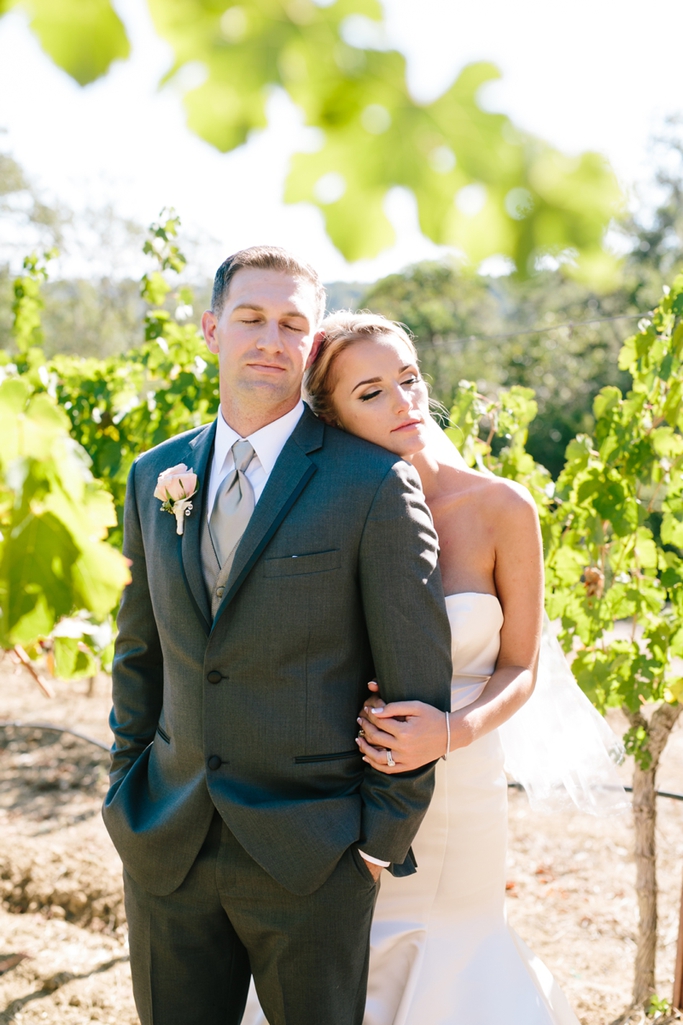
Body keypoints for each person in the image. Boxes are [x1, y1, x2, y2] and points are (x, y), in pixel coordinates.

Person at [102, 253, 453, 1025]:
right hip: (165, 840)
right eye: (251, 318)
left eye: (292, 323)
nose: (270, 338)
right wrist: (126, 788)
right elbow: (138, 653)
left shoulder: (371, 483)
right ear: (211, 329)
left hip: (313, 855)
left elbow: (415, 681)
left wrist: (374, 844)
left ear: (312, 341)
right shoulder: (153, 474)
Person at [242, 309, 581, 1025]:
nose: (404, 402)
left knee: (454, 955)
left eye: (409, 378)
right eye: (371, 393)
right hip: (344, 789)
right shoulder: (317, 516)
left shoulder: (499, 506)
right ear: (330, 417)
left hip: (462, 785)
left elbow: (521, 665)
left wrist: (451, 731)